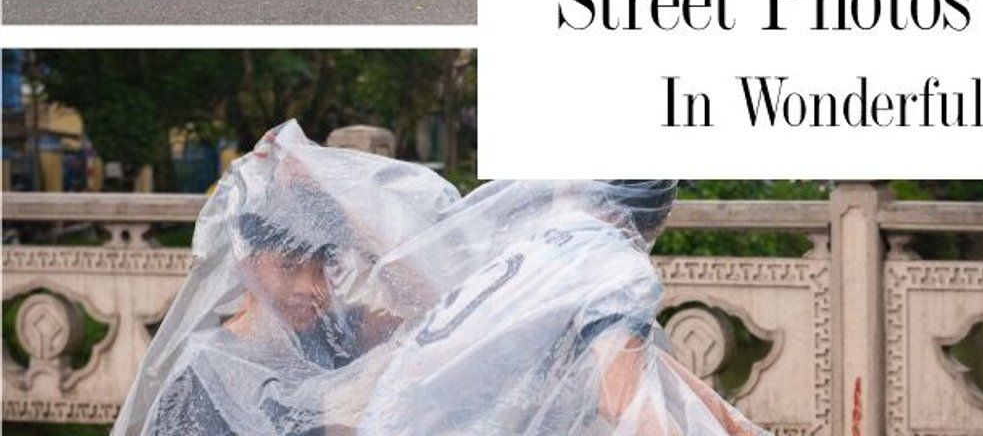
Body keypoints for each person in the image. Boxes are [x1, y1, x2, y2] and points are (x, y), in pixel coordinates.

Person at [112, 122, 461, 436]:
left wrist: (340, 206)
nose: (311, 288)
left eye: (322, 269)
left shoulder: (322, 339)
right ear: (245, 266)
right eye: (289, 266)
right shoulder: (204, 375)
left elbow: (434, 315)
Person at [356, 180, 767, 435]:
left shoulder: (549, 243)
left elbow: (642, 359)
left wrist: (736, 426)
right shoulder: (613, 265)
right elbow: (623, 403)